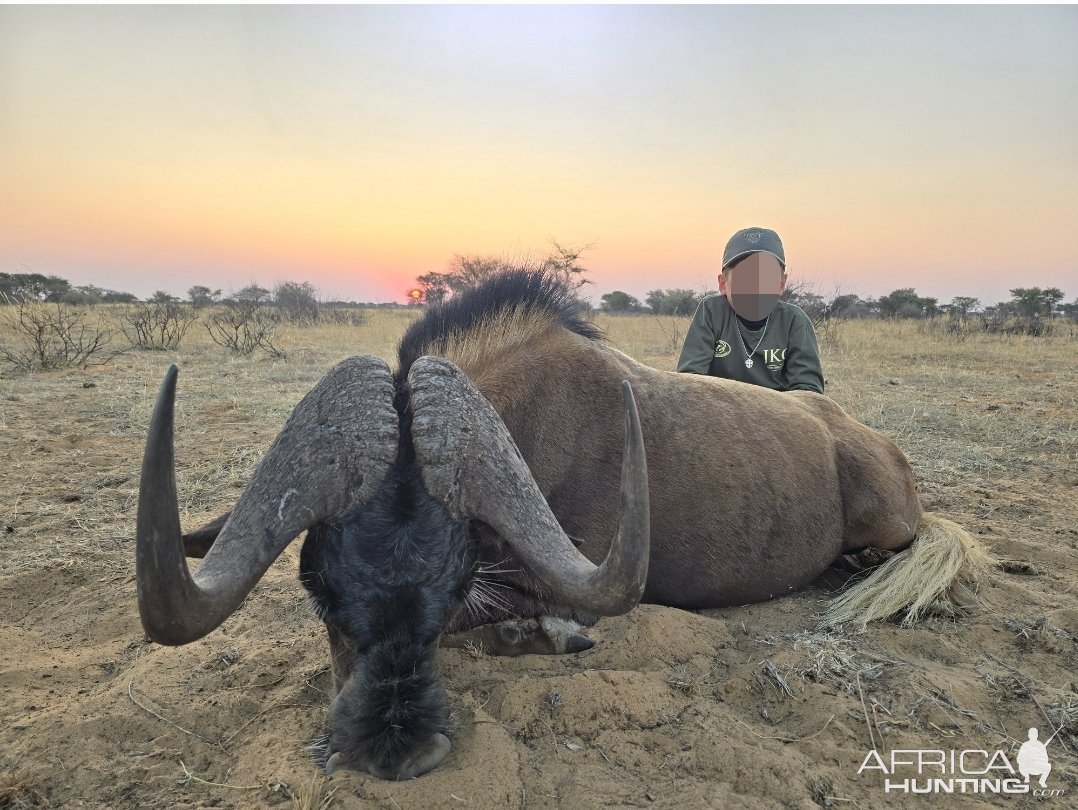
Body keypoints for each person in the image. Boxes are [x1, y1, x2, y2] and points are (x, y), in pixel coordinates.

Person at [677, 227, 824, 394]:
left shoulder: (794, 320)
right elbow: (689, 382)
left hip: (778, 415)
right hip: (719, 413)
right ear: (723, 284)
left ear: (781, 284)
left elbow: (809, 394)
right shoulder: (711, 311)